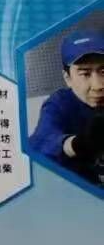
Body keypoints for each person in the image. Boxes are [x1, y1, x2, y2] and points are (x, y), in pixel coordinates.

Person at [29, 32, 104, 187]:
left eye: (103, 72)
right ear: (68, 78)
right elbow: (40, 144)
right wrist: (79, 144)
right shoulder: (59, 104)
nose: (98, 85)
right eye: (85, 74)